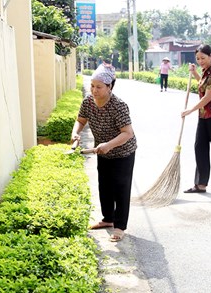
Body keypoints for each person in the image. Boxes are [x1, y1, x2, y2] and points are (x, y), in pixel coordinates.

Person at [71, 66, 137, 242]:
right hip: (103, 151)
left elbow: (127, 133)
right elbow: (80, 120)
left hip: (123, 151)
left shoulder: (119, 106)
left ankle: (120, 227)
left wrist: (109, 145)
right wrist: (75, 133)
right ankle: (108, 219)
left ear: (109, 87)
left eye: (99, 87)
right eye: (92, 85)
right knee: (105, 186)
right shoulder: (88, 102)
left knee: (121, 188)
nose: (94, 90)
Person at [181, 44, 211, 193]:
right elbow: (202, 85)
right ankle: (201, 184)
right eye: (197, 59)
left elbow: (208, 97)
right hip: (204, 116)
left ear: (210, 56)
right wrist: (195, 72)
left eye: (203, 58)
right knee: (199, 147)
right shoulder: (206, 71)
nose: (200, 61)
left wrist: (190, 110)